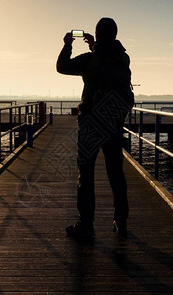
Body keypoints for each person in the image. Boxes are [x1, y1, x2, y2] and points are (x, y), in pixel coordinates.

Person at [56, 17, 134, 239]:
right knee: (116, 173)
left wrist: (67, 44)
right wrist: (94, 44)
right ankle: (121, 221)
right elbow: (107, 60)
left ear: (98, 35)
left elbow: (62, 67)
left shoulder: (90, 60)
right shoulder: (124, 58)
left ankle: (87, 225)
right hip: (113, 122)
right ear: (115, 34)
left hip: (92, 124)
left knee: (86, 174)